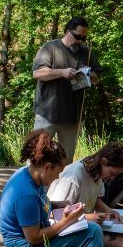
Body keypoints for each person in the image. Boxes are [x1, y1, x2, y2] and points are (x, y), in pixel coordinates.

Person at [0, 129, 108, 247]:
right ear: (47, 167)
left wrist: (60, 205)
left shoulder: (31, 175)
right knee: (92, 232)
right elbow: (34, 238)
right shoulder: (26, 194)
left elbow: (43, 203)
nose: (57, 178)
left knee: (90, 229)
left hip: (32, 240)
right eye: (58, 173)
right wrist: (67, 221)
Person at [32, 17, 103, 161]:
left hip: (73, 117)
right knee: (37, 157)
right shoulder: (51, 48)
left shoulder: (86, 52)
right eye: (77, 36)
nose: (80, 40)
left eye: (84, 37)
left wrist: (86, 74)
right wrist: (62, 72)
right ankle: (32, 184)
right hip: (47, 114)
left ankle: (60, 184)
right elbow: (37, 73)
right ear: (67, 31)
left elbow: (97, 78)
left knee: (66, 161)